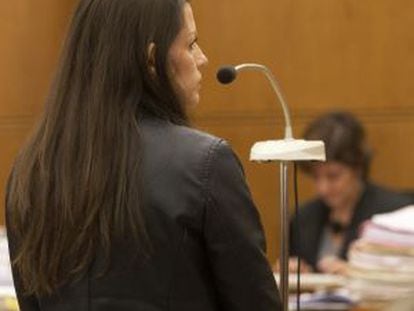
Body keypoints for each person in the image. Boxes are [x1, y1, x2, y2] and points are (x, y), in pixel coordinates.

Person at [5, 0, 281, 310]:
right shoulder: (206, 163)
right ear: (151, 59)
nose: (203, 59)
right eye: (191, 44)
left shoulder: (29, 171)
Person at [289, 111, 413, 275]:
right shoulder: (303, 218)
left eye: (333, 176)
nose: (322, 188)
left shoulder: (395, 215)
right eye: (316, 177)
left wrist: (359, 275)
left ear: (358, 168)